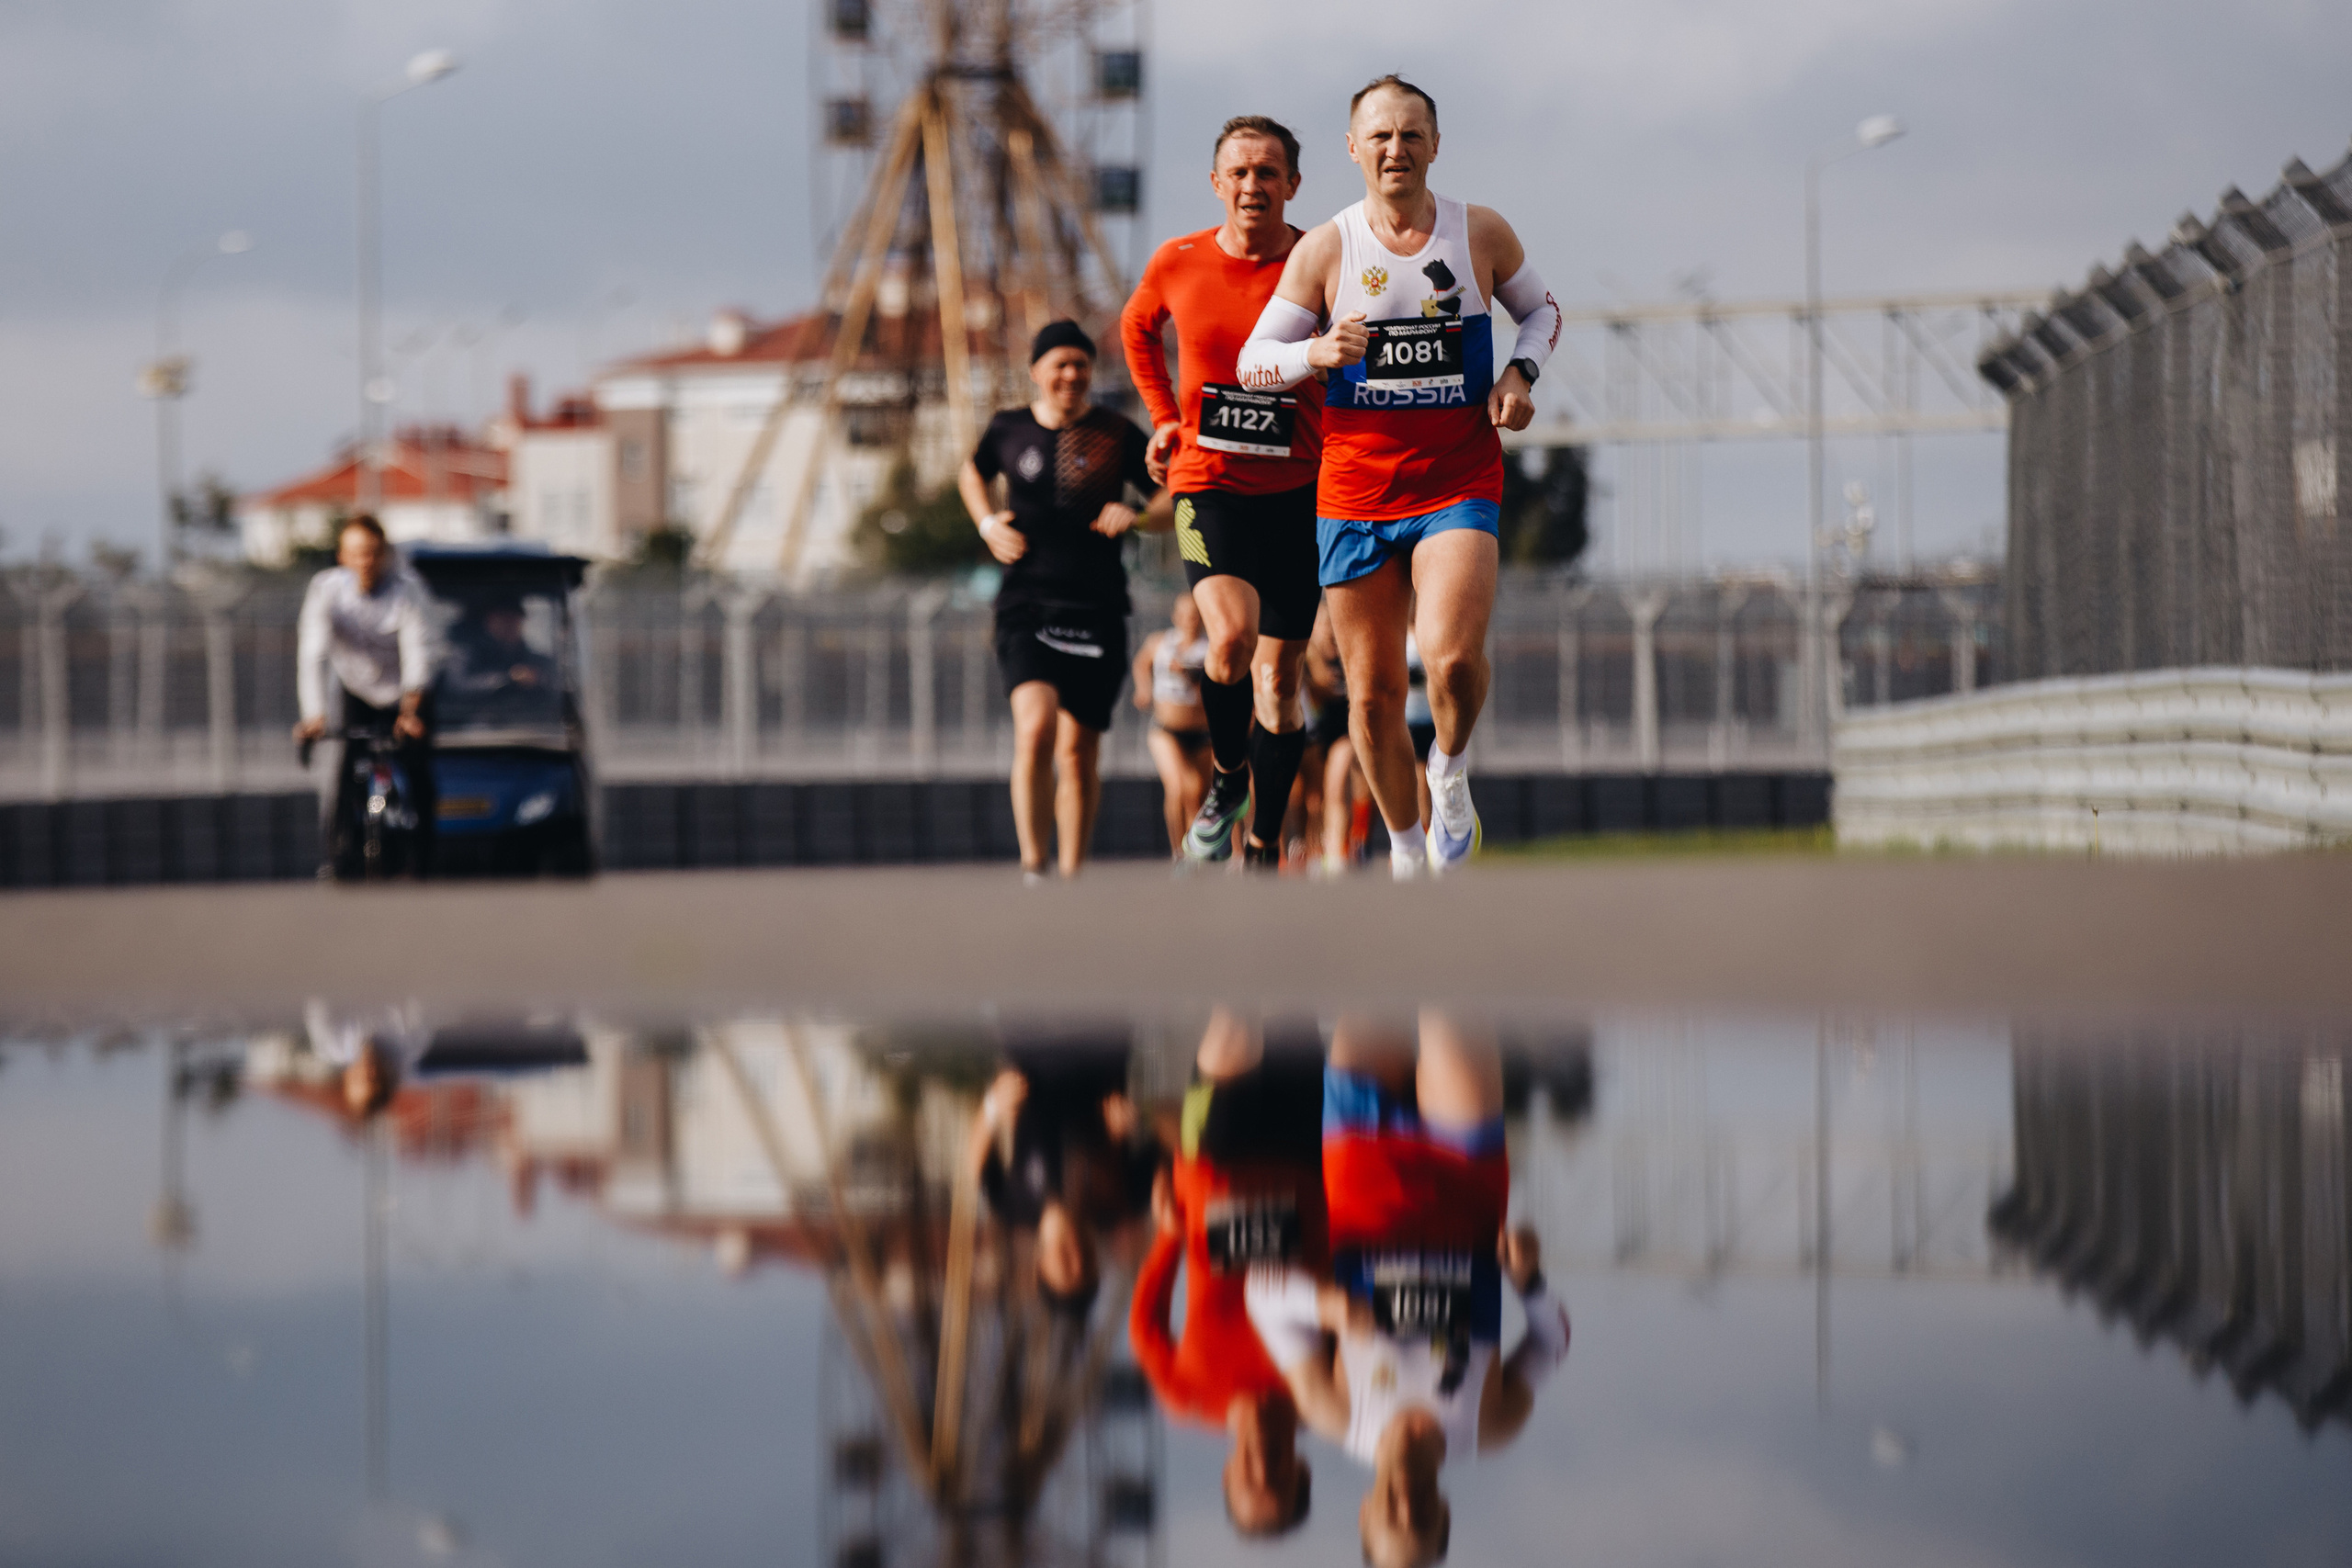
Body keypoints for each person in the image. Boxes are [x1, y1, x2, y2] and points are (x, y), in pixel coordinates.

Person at [1238, 75, 1560, 878]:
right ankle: (1408, 849)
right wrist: (1314, 353)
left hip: (1457, 481)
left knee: (1451, 661)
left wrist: (1518, 376)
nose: (1396, 148)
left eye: (1412, 134)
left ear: (1435, 145)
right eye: (1379, 136)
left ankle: (1448, 770)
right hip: (1353, 496)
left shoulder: (1478, 233)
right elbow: (1253, 363)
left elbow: (1544, 310)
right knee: (1372, 696)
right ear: (1354, 149)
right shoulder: (1326, 250)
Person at [1245, 1013, 1569, 1568]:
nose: (1405, 1502)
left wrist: (1324, 1305)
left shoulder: (1335, 1414)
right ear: (1444, 1514)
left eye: (1390, 1515)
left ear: (1364, 1514)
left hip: (1361, 1159)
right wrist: (1529, 1282)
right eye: (1420, 1518)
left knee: (1375, 976)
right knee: (1449, 1001)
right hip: (1465, 1170)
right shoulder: (1490, 1426)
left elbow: (1261, 1299)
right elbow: (1551, 1346)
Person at [1122, 115, 1326, 871]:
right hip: (1206, 485)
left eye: (1267, 172)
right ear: (1216, 184)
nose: (1252, 185)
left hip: (1301, 492)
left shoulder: (1320, 259)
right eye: (1238, 172)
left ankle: (1266, 843)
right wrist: (1165, 419)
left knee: (1278, 682)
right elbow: (1137, 328)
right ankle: (1229, 779)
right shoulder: (1178, 261)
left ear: (1292, 186)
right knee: (1231, 640)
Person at [960, 321, 1158, 882]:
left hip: (1097, 605)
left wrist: (1139, 514)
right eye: (1060, 364)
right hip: (1026, 601)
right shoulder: (1009, 428)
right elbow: (970, 473)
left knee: (1078, 751)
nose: (1071, 374)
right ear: (1037, 372)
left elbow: (1172, 496)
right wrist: (986, 522)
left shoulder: (1116, 432)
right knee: (1036, 726)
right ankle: (1033, 863)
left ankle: (1071, 871)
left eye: (1081, 364)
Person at [1130, 1009, 1323, 1537]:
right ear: (1301, 1471)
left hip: (1213, 1159)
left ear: (1226, 1475)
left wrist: (1170, 1233)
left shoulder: (1187, 1396)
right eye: (1279, 1479)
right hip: (1309, 1155)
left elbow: (1144, 1328)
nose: (1263, 1466)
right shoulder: (1330, 1393)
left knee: (1233, 1020)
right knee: (1297, 1009)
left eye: (1249, 1480)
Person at [969, 1032, 1164, 1315]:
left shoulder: (1011, 1208)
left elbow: (976, 1165)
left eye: (1065, 1267)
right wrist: (1140, 1121)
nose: (1075, 1256)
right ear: (1097, 1266)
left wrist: (991, 1107)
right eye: (1084, 1267)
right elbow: (1178, 1139)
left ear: (1040, 1269)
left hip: (1027, 1044)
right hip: (1102, 1046)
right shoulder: (1127, 1201)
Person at [293, 514, 440, 877]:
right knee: (343, 772)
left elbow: (418, 655)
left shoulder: (407, 591)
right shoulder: (326, 590)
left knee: (417, 769)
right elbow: (313, 654)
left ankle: (423, 858)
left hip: (406, 693)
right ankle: (339, 856)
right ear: (342, 556)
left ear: (385, 555)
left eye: (373, 553)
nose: (366, 562)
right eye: (357, 553)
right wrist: (314, 715)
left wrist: (410, 712)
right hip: (356, 689)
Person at [1132, 592, 1213, 857]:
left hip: (1202, 732)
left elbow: (1218, 689)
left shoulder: (1209, 648)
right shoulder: (1160, 642)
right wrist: (1143, 689)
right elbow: (1141, 663)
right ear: (1175, 617)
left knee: (1198, 792)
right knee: (1178, 787)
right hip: (1166, 730)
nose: (1191, 621)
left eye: (1195, 616)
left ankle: (1194, 848)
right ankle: (1178, 850)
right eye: (1186, 615)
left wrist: (1190, 676)